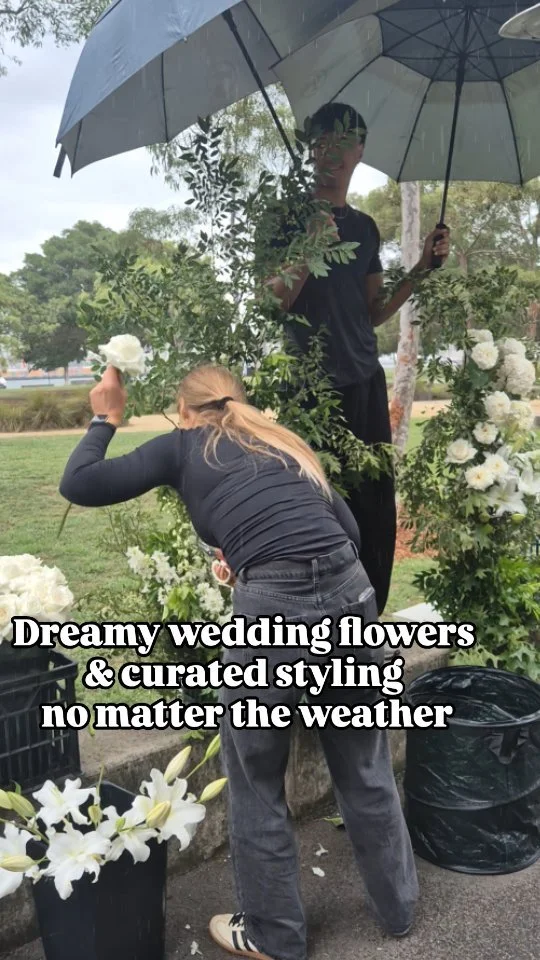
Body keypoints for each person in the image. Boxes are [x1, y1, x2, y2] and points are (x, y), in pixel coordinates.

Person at [59, 363, 419, 960]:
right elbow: (347, 531)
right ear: (239, 401)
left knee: (255, 778)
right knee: (365, 765)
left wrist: (106, 416)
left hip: (274, 609)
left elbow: (80, 482)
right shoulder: (283, 442)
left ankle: (275, 936)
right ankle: (399, 909)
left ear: (185, 409)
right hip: (351, 592)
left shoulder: (182, 445)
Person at [264, 102, 450, 617]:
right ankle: (310, 619)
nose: (330, 152)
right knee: (315, 509)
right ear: (310, 150)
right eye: (321, 141)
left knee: (372, 508)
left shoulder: (366, 228)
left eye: (342, 141)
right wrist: (309, 246)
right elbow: (273, 301)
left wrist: (421, 267)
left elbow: (373, 311)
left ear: (359, 150)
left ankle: (366, 615)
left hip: (365, 383)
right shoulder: (284, 219)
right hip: (310, 391)